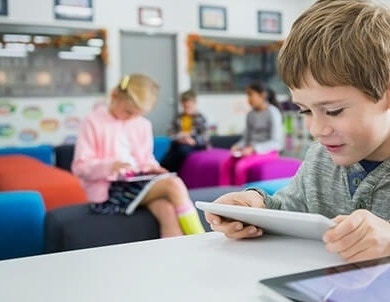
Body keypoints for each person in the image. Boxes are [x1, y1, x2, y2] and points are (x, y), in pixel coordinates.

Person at [206, 0, 390, 280]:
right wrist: (254, 209)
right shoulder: (321, 156)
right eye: (305, 111)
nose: (316, 129)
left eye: (333, 111)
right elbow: (290, 210)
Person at [72, 74, 205, 236]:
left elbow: (145, 160)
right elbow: (80, 167)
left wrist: (153, 168)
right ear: (114, 96)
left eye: (138, 114)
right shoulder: (92, 121)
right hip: (110, 189)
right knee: (174, 184)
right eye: (128, 112)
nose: (132, 118)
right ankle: (201, 239)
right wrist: (111, 166)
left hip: (137, 182)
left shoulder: (142, 124)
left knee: (168, 212)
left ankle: (174, 260)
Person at [223, 81, 284, 186]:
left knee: (241, 166)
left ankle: (240, 197)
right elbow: (246, 138)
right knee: (227, 164)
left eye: (250, 94)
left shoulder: (273, 113)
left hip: (269, 152)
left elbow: (276, 142)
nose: (248, 99)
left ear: (262, 95)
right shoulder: (250, 114)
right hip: (251, 150)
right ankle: (224, 194)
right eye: (247, 95)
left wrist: (254, 149)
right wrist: (238, 146)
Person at [159, 89, 209, 173]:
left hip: (195, 144)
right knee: (167, 157)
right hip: (179, 143)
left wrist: (193, 141)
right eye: (185, 107)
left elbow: (204, 136)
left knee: (181, 151)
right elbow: (170, 132)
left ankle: (176, 172)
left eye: (189, 107)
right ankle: (164, 171)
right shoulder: (178, 117)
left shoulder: (200, 117)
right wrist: (179, 137)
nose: (187, 109)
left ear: (194, 104)